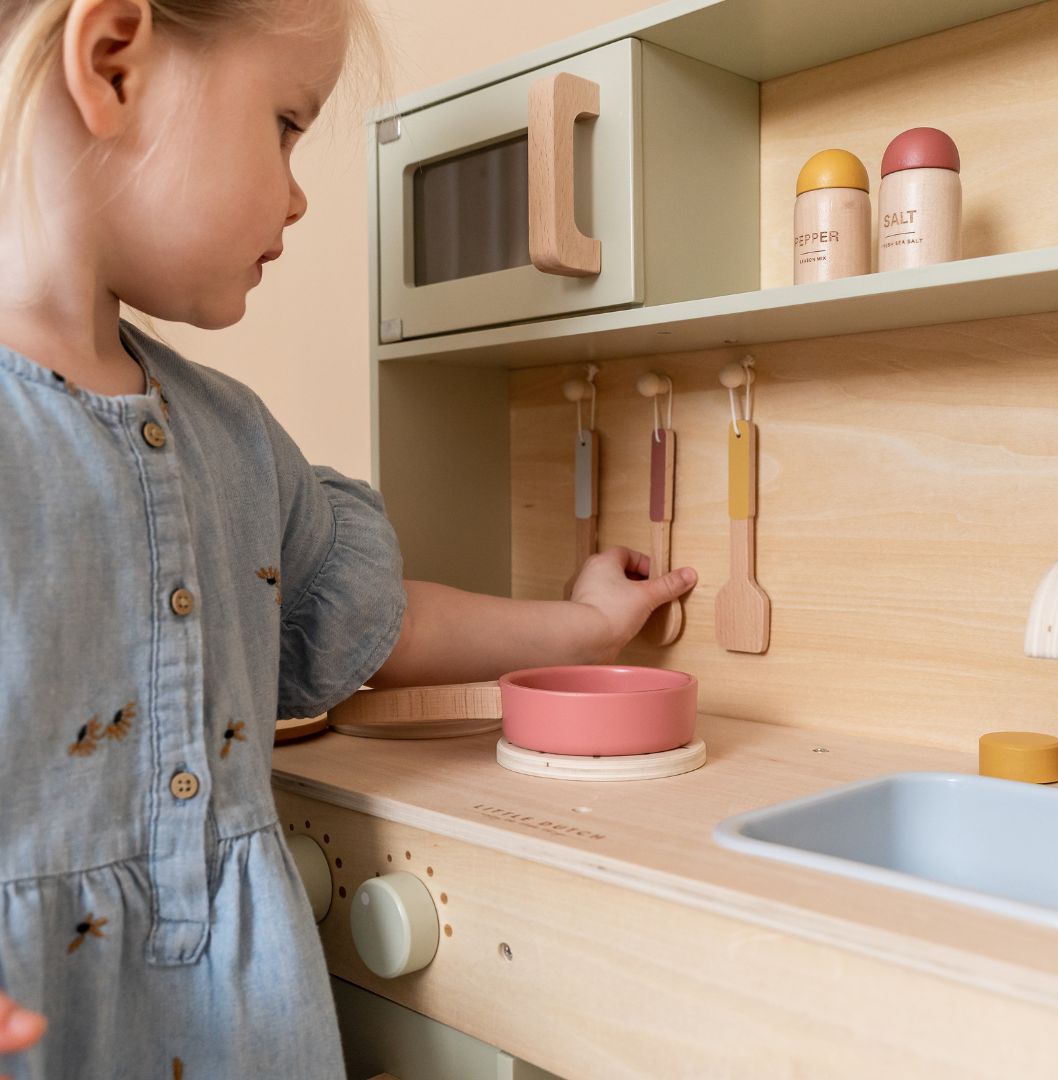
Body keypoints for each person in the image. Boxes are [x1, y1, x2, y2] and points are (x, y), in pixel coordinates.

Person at [0, 0, 698, 1076]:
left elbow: (371, 614)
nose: (298, 191)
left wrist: (589, 624)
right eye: (285, 123)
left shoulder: (234, 437)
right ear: (113, 61)